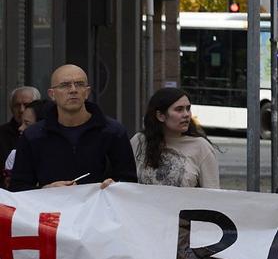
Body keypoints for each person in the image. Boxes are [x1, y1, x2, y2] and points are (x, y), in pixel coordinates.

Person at [6, 65, 137, 190]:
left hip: (100, 205)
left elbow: (130, 183)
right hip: (52, 205)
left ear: (87, 92)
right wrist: (45, 190)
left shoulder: (113, 132)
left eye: (79, 84)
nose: (73, 90)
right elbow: (18, 188)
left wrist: (115, 186)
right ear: (52, 94)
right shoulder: (33, 136)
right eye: (65, 85)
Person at [131, 87, 221, 188]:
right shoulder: (139, 141)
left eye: (188, 109)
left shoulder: (201, 147)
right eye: (179, 109)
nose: (186, 114)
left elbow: (212, 193)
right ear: (160, 116)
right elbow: (126, 183)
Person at [1, 85, 39, 188]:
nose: (21, 110)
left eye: (26, 105)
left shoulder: (48, 135)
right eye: (17, 105)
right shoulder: (2, 134)